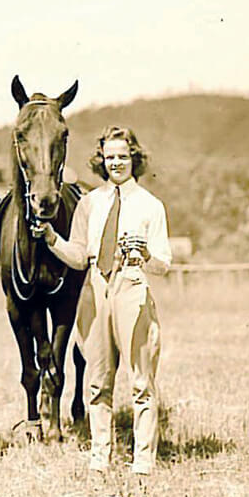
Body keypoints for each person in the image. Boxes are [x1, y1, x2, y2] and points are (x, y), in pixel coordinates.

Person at [36, 126, 171, 475]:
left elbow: (164, 264)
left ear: (134, 159)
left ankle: (142, 462)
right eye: (110, 158)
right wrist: (51, 238)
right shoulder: (89, 203)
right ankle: (101, 457)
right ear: (101, 161)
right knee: (97, 381)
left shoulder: (150, 206)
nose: (116, 163)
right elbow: (79, 256)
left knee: (141, 381)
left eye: (123, 157)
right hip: (95, 287)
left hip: (132, 286)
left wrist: (144, 256)